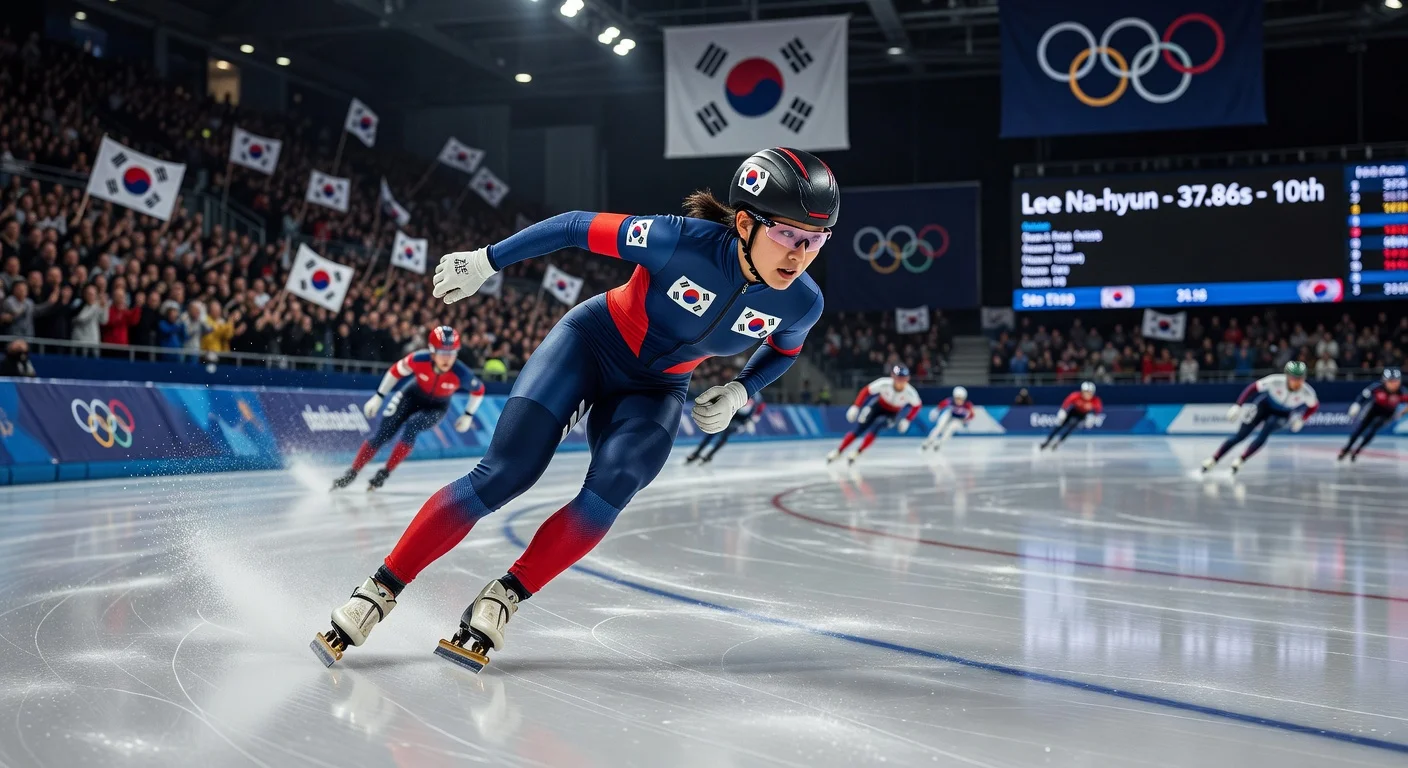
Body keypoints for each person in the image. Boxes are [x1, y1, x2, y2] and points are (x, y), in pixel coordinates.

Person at [312, 147, 837, 672]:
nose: (800, 255)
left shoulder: (802, 302)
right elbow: (573, 226)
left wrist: (742, 389)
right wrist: (487, 261)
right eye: (787, 235)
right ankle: (378, 590)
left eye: (815, 240)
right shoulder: (678, 240)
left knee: (617, 484)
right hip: (590, 346)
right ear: (744, 223)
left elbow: (785, 349)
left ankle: (505, 596)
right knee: (507, 473)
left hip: (657, 388)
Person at [331, 327, 486, 491]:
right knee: (383, 434)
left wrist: (468, 415)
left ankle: (384, 473)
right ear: (432, 352)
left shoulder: (461, 373)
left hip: (437, 407)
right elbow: (395, 371)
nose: (447, 358)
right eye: (442, 352)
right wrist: (379, 396)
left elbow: (479, 390)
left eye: (452, 353)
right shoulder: (419, 359)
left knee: (413, 426)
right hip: (411, 396)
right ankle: (352, 472)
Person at [1201, 361, 1319, 475]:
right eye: (1294, 378)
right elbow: (1252, 388)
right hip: (1264, 406)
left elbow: (1314, 406)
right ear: (1287, 376)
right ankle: (1214, 459)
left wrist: (1303, 419)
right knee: (1240, 435)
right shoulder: (1275, 381)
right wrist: (1238, 405)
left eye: (1301, 378)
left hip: (1282, 415)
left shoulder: (1307, 392)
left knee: (1268, 427)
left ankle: (1241, 459)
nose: (1298, 382)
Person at [826, 364, 922, 465]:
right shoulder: (884, 383)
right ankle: (839, 451)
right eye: (898, 379)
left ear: (907, 379)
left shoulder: (910, 392)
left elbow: (917, 406)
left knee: (877, 426)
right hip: (878, 406)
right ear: (893, 377)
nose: (900, 383)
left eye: (903, 379)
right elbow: (866, 391)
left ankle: (858, 452)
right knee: (860, 428)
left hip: (892, 413)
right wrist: (856, 406)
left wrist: (908, 419)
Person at [1339, 367, 1404, 461]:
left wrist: (1403, 412)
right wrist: (1357, 404)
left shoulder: (1402, 392)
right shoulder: (1377, 387)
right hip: (1374, 409)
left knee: (1373, 429)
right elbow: (1364, 395)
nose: (1394, 384)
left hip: (1387, 413)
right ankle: (1347, 448)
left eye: (1396, 381)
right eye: (1391, 381)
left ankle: (1358, 450)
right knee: (1360, 429)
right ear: (1384, 381)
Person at [684, 391, 764, 464]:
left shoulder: (755, 400)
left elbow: (757, 409)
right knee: (712, 433)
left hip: (739, 420)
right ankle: (697, 453)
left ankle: (710, 454)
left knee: (724, 436)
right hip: (731, 414)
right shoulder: (739, 397)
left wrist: (747, 422)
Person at [1039, 380, 1103, 451]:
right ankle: (1047, 441)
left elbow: (1098, 410)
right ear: (1082, 391)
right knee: (1060, 425)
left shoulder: (1095, 400)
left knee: (1071, 428)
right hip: (1073, 411)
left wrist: (1093, 417)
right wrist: (1063, 410)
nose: (1087, 395)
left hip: (1082, 415)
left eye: (1089, 393)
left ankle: (1058, 442)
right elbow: (1067, 401)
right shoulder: (1076, 395)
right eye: (1085, 392)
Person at [922, 385, 974, 452]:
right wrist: (936, 411)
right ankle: (929, 441)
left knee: (950, 429)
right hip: (950, 415)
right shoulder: (950, 401)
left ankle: (939, 443)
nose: (958, 401)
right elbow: (941, 405)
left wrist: (967, 419)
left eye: (961, 399)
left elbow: (972, 415)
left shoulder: (968, 405)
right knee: (939, 426)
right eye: (957, 398)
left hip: (959, 419)